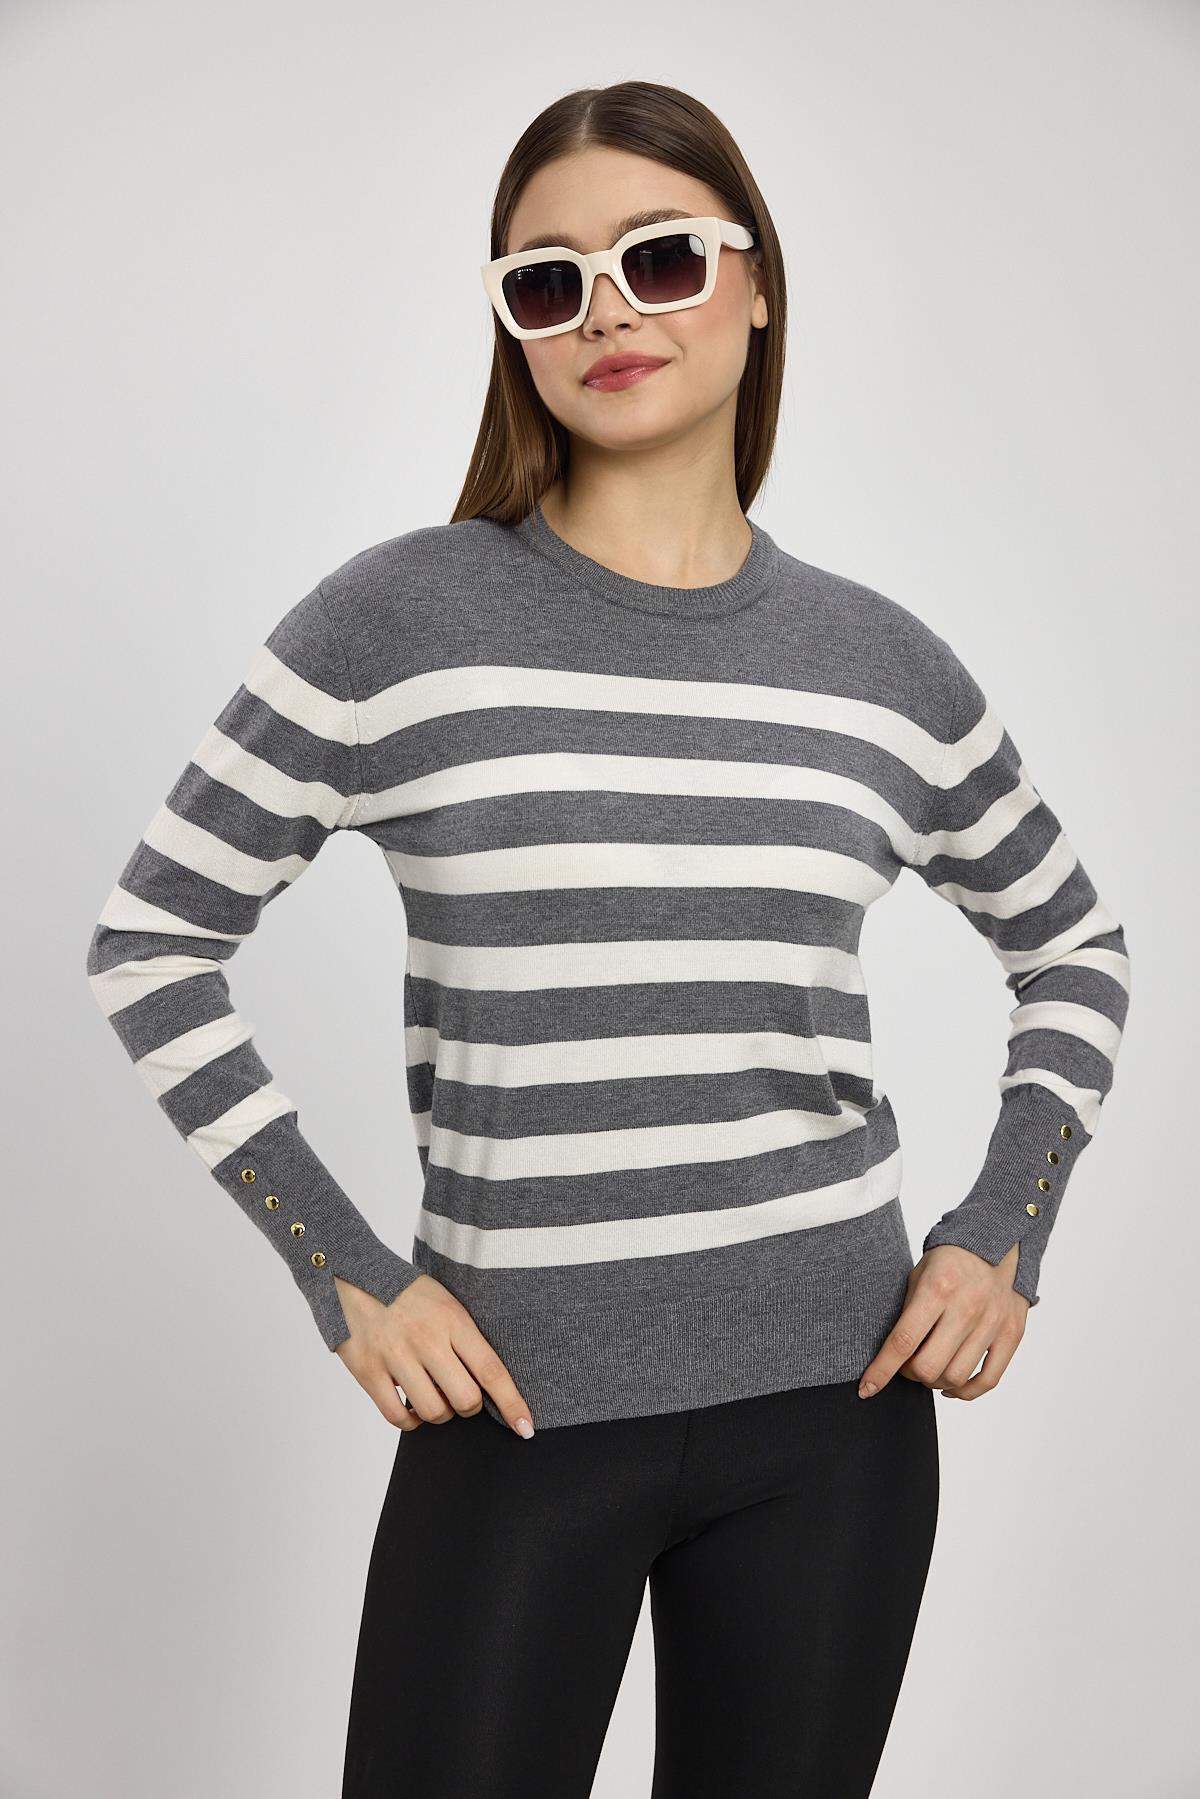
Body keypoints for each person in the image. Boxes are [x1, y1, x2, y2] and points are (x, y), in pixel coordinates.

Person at [85, 79, 1131, 1799]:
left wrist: (1005, 1225)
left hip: (839, 1420)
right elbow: (153, 940)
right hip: (514, 1410)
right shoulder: (397, 622)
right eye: (548, 282)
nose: (607, 313)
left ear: (757, 282)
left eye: (659, 257)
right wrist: (340, 1263)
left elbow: (1074, 943)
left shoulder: (881, 666)